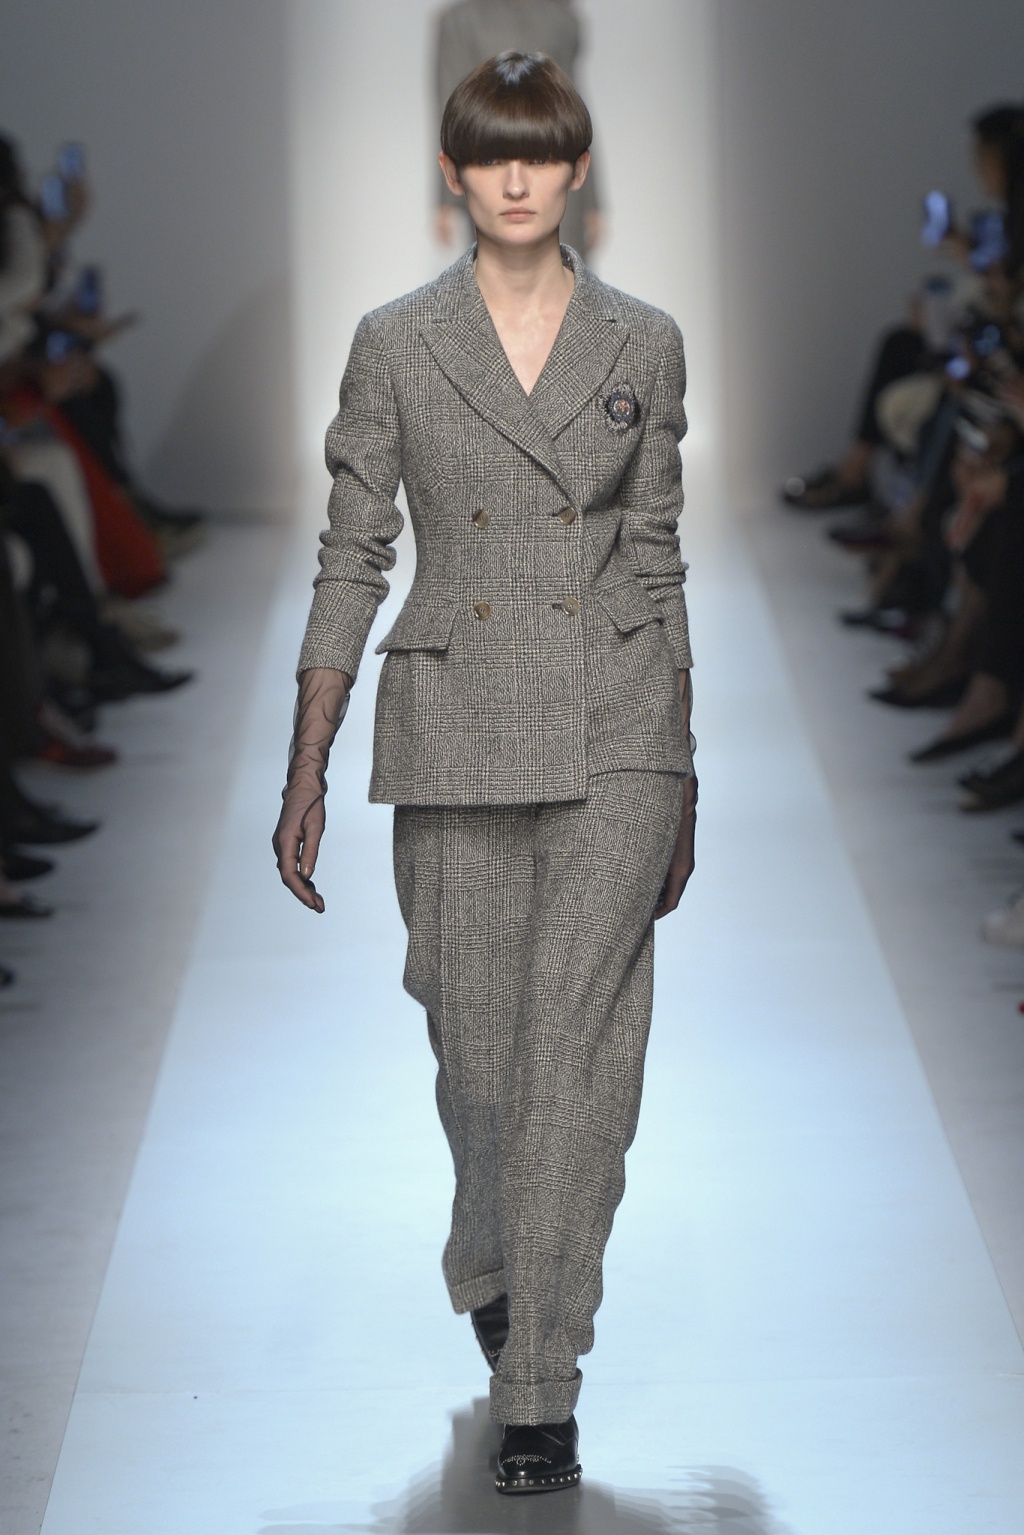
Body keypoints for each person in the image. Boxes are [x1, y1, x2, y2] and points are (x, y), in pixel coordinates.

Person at [274, 52, 697, 1497]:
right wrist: (309, 755)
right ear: (452, 171)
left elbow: (657, 558)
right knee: (478, 1053)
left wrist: (684, 769)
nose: (518, 178)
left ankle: (542, 1380)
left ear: (576, 168)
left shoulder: (644, 342)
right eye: (491, 153)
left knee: (575, 1055)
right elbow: (355, 547)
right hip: (453, 718)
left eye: (543, 152)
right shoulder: (397, 341)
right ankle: (496, 1251)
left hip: (613, 721)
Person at [433, 0, 603, 258]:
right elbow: (452, 113)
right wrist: (447, 195)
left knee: (562, 267)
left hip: (551, 170)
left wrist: (591, 199)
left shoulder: (559, 17)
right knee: (496, 266)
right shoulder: (460, 21)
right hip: (491, 168)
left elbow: (574, 112)